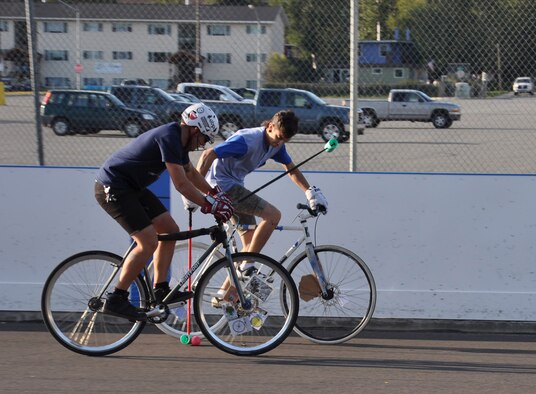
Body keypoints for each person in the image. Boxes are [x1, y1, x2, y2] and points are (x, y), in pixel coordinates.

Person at [95, 103, 234, 321]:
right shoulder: (170, 137)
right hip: (113, 187)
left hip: (132, 188)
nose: (202, 144)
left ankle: (161, 289)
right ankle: (117, 297)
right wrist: (211, 204)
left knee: (170, 229)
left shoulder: (179, 140)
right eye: (204, 138)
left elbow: (190, 173)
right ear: (194, 130)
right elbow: (181, 184)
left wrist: (214, 193)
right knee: (148, 241)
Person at [193, 109, 328, 261]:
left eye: (284, 140)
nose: (280, 143)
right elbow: (208, 154)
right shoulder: (247, 140)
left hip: (234, 186)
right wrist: (196, 191)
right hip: (222, 186)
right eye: (278, 137)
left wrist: (309, 192)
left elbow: (291, 169)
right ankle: (247, 267)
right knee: (273, 215)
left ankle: (238, 278)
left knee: (250, 247)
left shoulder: (277, 144)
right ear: (270, 126)